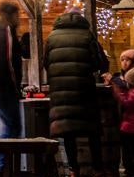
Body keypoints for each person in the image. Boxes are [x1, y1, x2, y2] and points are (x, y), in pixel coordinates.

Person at [44, 11, 107, 177]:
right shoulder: (87, 35)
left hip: (60, 92)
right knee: (92, 131)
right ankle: (98, 168)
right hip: (84, 89)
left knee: (68, 132)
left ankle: (73, 169)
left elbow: (46, 63)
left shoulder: (52, 37)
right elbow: (98, 62)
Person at [0, 1, 24, 165]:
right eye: (17, 14)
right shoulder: (5, 33)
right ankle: (2, 165)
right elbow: (7, 61)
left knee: (10, 125)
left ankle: (3, 164)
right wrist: (15, 87)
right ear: (11, 15)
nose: (19, 18)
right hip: (4, 87)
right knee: (13, 126)